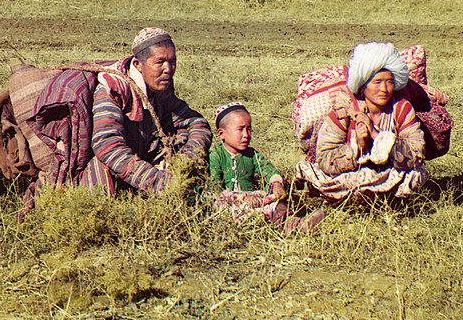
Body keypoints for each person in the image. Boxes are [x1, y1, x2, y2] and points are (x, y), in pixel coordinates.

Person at [80, 27, 212, 195]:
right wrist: (158, 181)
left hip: (144, 162)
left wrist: (186, 159)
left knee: (184, 136)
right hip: (119, 169)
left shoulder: (160, 90)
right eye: (160, 62)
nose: (168, 69)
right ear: (138, 65)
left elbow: (196, 121)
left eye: (172, 61)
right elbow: (106, 145)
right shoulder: (113, 90)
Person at [296, 42, 428, 201]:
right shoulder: (345, 109)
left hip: (390, 174)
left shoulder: (401, 108)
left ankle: (365, 196)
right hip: (351, 175)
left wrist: (376, 135)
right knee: (334, 180)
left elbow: (416, 153)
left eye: (389, 82)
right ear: (363, 85)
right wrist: (357, 147)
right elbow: (325, 158)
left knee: (415, 175)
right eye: (377, 82)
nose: (384, 89)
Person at [210, 102, 325, 232]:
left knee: (278, 203)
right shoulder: (216, 156)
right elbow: (214, 188)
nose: (246, 135)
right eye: (240, 129)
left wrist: (276, 184)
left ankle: (294, 225)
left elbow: (268, 169)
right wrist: (240, 198)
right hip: (231, 202)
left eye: (249, 129)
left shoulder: (252, 154)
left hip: (256, 201)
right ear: (221, 134)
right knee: (221, 205)